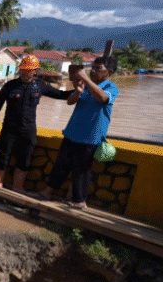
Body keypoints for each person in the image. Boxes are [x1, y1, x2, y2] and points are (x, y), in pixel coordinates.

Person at [0, 55, 73, 192]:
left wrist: (80, 90)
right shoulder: (10, 86)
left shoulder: (41, 86)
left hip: (28, 129)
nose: (24, 72)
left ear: (35, 70)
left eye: (28, 70)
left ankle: (17, 188)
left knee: (25, 159)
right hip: (9, 128)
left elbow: (61, 95)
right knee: (2, 157)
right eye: (22, 69)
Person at [38, 57, 119, 209]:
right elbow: (70, 101)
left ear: (109, 72)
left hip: (90, 137)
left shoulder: (111, 88)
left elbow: (102, 97)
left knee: (81, 171)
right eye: (93, 67)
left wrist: (86, 79)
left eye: (98, 68)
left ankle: (79, 201)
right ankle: (47, 192)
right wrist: (78, 91)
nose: (93, 70)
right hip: (72, 132)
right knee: (61, 165)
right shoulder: (87, 86)